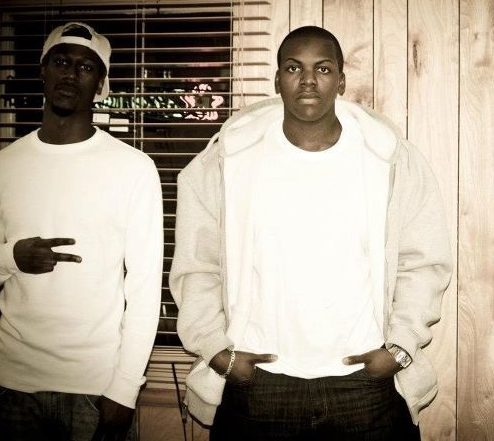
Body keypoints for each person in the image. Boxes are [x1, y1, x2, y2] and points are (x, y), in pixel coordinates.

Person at [169, 25, 452, 440]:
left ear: (341, 81)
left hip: (364, 384)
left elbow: (423, 261)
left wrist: (400, 347)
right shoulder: (229, 159)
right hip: (258, 384)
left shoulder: (387, 157)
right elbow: (198, 263)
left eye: (322, 68)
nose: (307, 80)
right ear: (277, 80)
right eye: (293, 68)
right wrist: (215, 350)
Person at [0, 22, 163, 440]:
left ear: (100, 84)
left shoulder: (134, 169)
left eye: (86, 67)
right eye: (61, 62)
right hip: (11, 386)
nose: (71, 74)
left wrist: (125, 389)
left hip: (95, 390)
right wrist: (10, 257)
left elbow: (144, 288)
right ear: (42, 70)